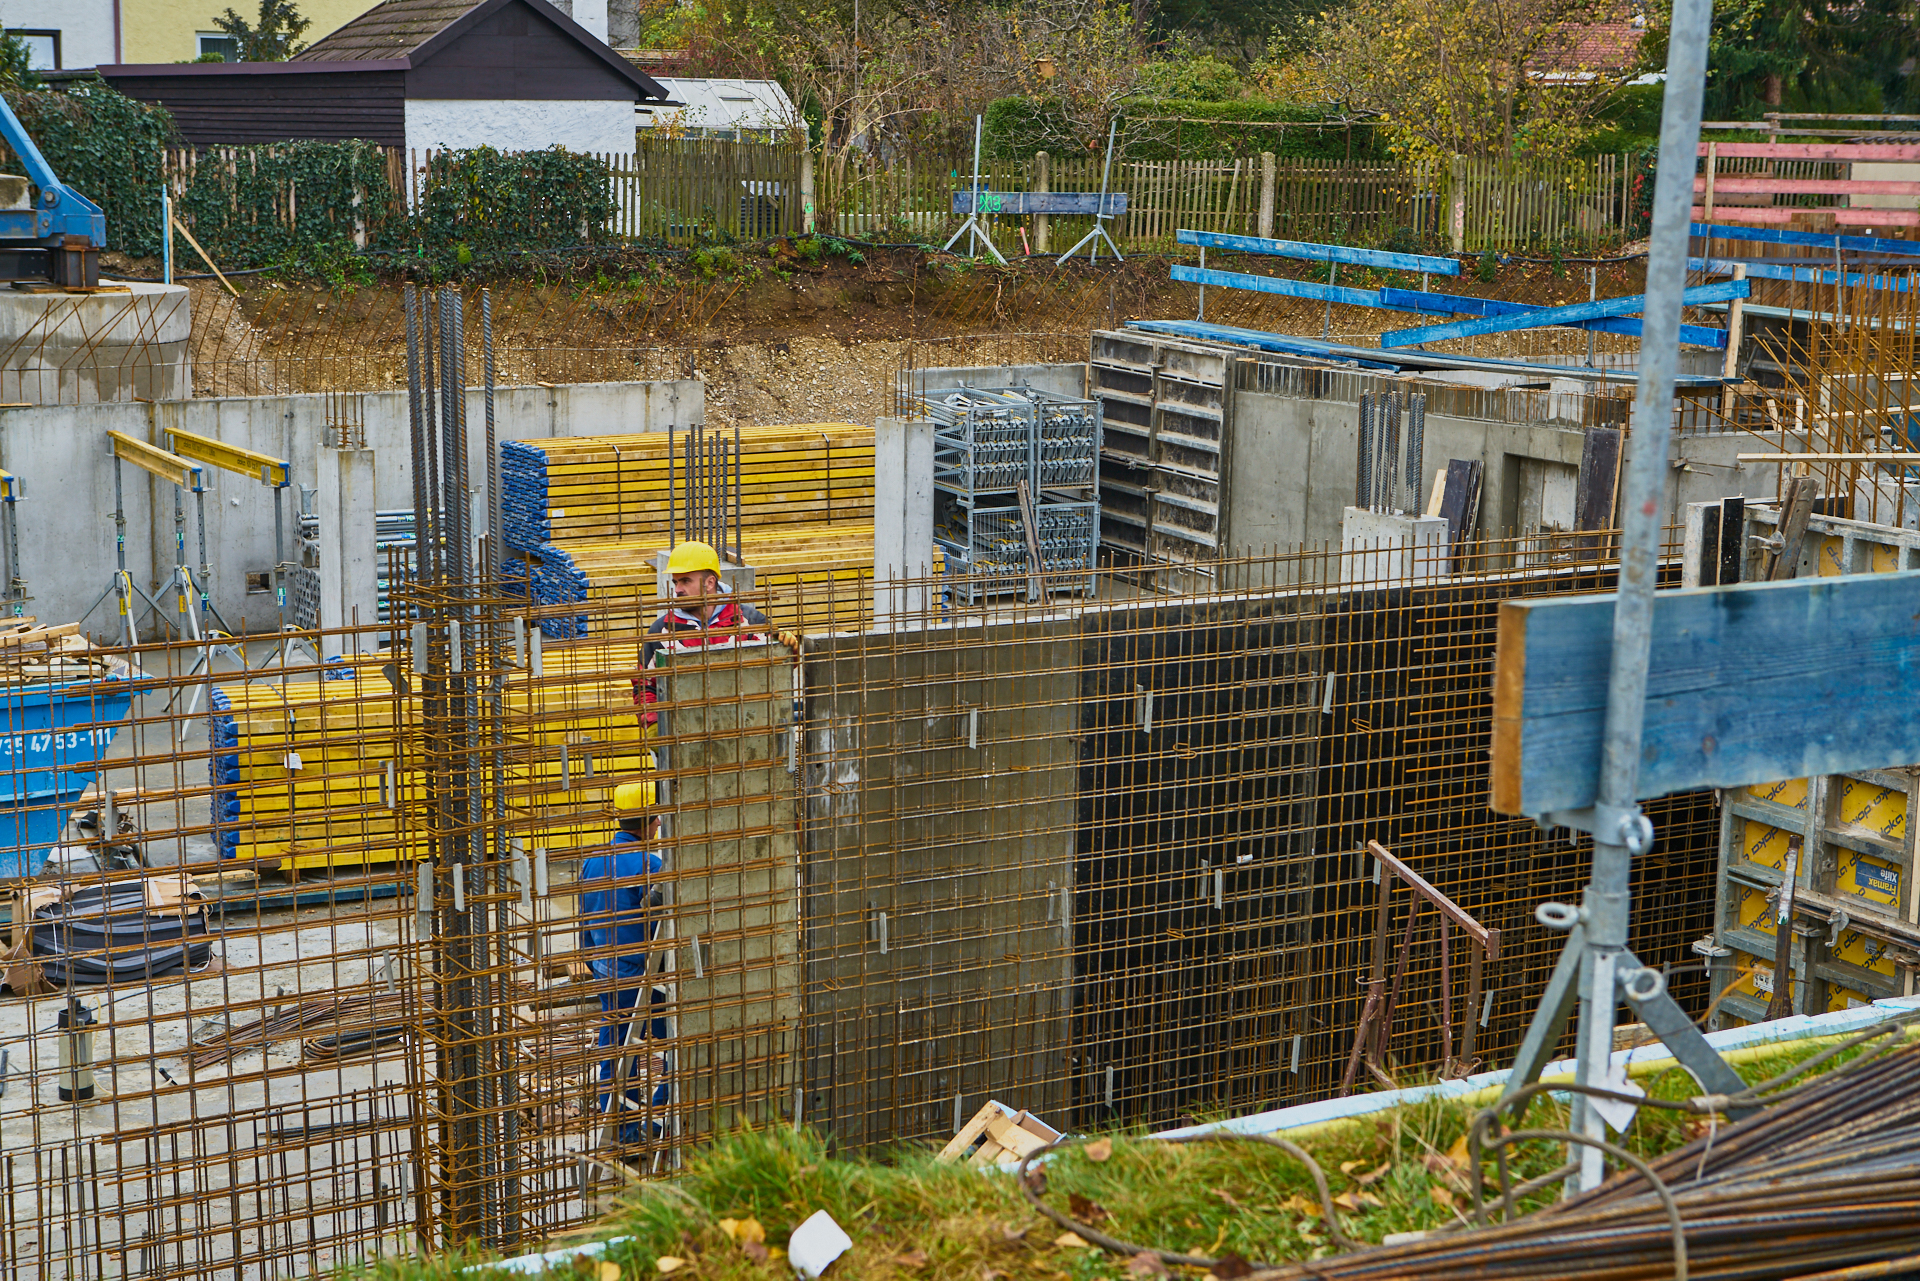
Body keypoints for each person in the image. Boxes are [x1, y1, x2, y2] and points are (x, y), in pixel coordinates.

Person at [578, 779, 670, 1148]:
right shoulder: (650, 863)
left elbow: (585, 918)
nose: (660, 824)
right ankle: (655, 1118)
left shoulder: (593, 858)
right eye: (657, 818)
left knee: (616, 1054)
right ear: (649, 820)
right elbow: (659, 927)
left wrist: (590, 957)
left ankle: (624, 1132)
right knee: (685, 1044)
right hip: (640, 975)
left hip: (605, 971)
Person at [632, 540, 771, 725]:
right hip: (686, 736)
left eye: (685, 581)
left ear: (710, 582)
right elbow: (645, 686)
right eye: (676, 582)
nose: (678, 589)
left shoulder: (748, 622)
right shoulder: (663, 631)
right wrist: (655, 724)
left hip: (743, 730)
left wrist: (789, 647)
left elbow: (780, 667)